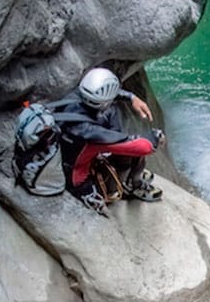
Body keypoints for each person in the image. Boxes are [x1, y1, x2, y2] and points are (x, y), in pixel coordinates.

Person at [58, 67, 166, 215]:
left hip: (75, 155)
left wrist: (131, 97)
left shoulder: (76, 97)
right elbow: (142, 146)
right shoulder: (89, 132)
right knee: (130, 151)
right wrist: (156, 136)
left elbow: (103, 96)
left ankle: (126, 173)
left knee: (112, 110)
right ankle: (131, 184)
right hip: (79, 179)